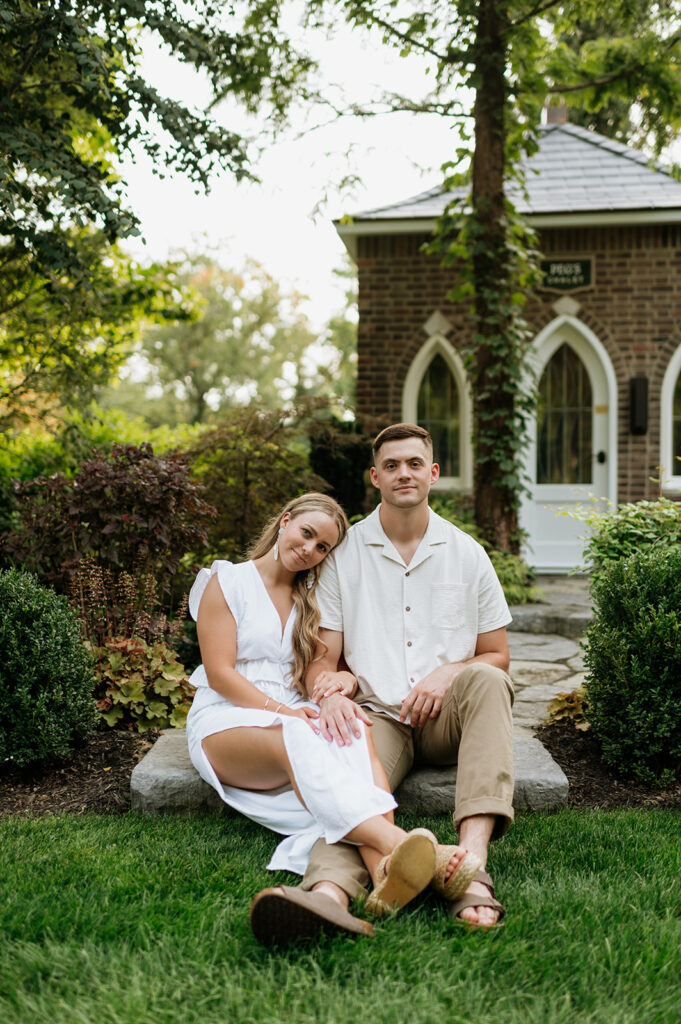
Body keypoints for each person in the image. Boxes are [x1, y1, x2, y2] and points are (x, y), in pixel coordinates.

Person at [254, 425, 514, 941]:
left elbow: (498, 655)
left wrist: (449, 671)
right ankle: (326, 897)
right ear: (375, 477)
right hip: (379, 716)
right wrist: (333, 689)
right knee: (352, 777)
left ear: (433, 473)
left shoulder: (468, 555)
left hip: (448, 720)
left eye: (414, 463)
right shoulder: (344, 555)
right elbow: (320, 664)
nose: (404, 474)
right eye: (391, 465)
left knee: (486, 678)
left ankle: (471, 868)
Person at [185, 492, 480, 946]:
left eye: (322, 547)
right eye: (306, 533)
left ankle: (383, 867)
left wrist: (337, 692)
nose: (309, 550)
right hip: (228, 721)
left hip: (290, 714)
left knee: (354, 728)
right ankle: (409, 848)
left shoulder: (308, 598)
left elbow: (318, 671)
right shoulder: (227, 582)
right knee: (301, 733)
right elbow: (222, 675)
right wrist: (288, 712)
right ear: (284, 522)